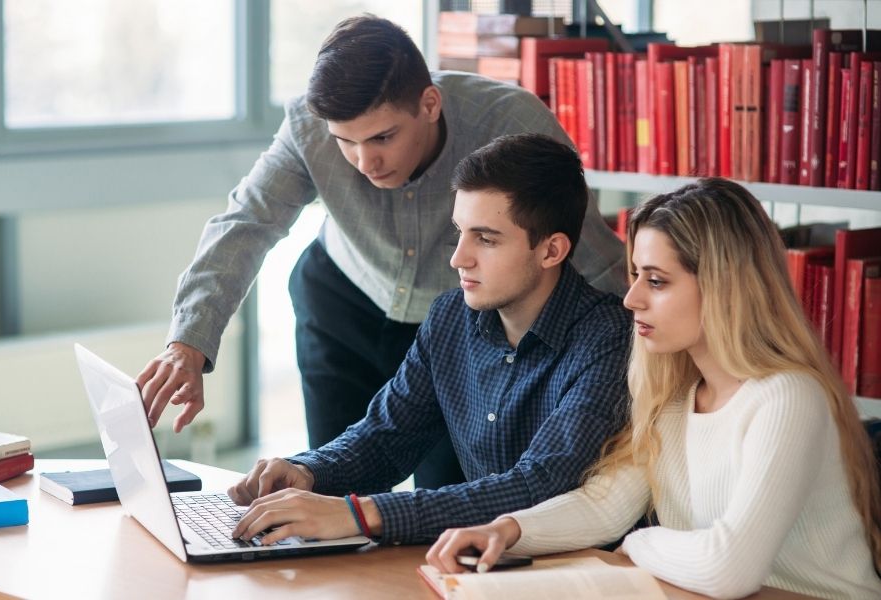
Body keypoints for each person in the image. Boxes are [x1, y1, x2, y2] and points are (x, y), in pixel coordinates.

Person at [134, 15, 627, 490]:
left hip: (455, 328)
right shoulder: (308, 126)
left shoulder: (510, 122)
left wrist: (648, 357)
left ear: (429, 103)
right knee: (324, 481)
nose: (364, 161)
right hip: (342, 305)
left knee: (446, 498)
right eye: (345, 142)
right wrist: (188, 344)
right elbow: (246, 223)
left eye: (383, 137)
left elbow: (586, 249)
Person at [426, 178, 881, 599]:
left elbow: (729, 569)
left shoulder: (787, 397)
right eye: (635, 275)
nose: (631, 299)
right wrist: (505, 530)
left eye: (657, 281)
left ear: (725, 289)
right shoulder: (677, 400)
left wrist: (638, 542)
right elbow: (605, 505)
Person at [225, 133, 631, 547]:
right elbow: (386, 437)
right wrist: (307, 471)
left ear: (551, 251)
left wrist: (360, 514)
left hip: (580, 573)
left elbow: (537, 487)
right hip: (481, 566)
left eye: (486, 239)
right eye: (460, 232)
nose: (459, 258)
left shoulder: (610, 340)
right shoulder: (451, 317)